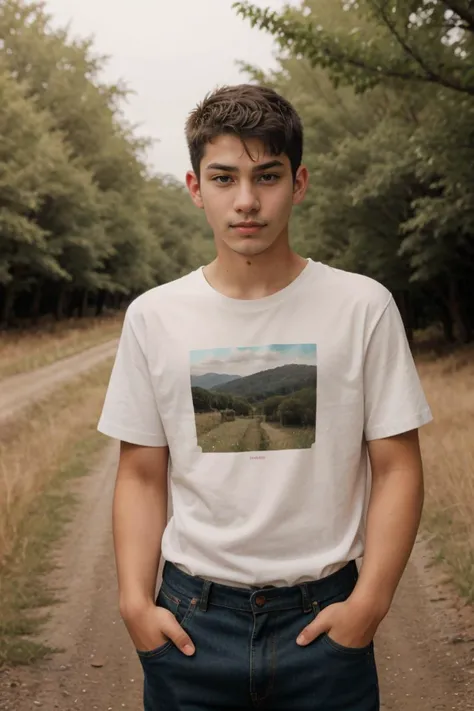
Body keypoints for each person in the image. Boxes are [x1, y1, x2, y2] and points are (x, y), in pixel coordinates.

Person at [97, 84, 433, 711]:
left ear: (298, 182)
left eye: (267, 176)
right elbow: (141, 475)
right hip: (192, 624)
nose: (246, 201)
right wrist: (133, 604)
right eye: (224, 178)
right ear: (196, 188)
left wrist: (370, 604)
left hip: (325, 622)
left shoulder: (363, 306)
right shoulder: (153, 316)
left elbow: (397, 466)